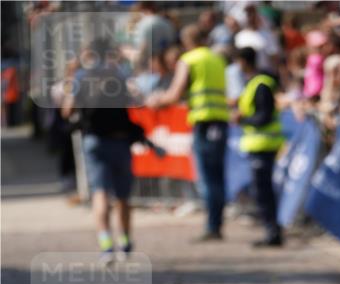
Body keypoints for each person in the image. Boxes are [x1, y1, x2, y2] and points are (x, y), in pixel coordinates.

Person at [148, 24, 229, 241]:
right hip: (221, 120)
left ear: (186, 42)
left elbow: (174, 94)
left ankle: (213, 226)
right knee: (217, 176)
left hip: (203, 121)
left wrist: (156, 101)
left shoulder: (189, 60)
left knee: (207, 177)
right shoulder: (216, 58)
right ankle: (217, 223)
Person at [62, 39, 137, 260]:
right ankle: (125, 242)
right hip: (120, 140)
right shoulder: (118, 75)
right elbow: (133, 101)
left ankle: (106, 244)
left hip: (94, 140)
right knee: (123, 195)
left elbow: (67, 111)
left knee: (100, 193)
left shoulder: (81, 77)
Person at [233, 46, 284, 247]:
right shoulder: (255, 83)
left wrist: (242, 119)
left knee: (263, 191)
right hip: (259, 145)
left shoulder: (261, 84)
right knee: (262, 190)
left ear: (243, 62)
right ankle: (271, 231)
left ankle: (273, 233)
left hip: (264, 145)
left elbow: (264, 116)